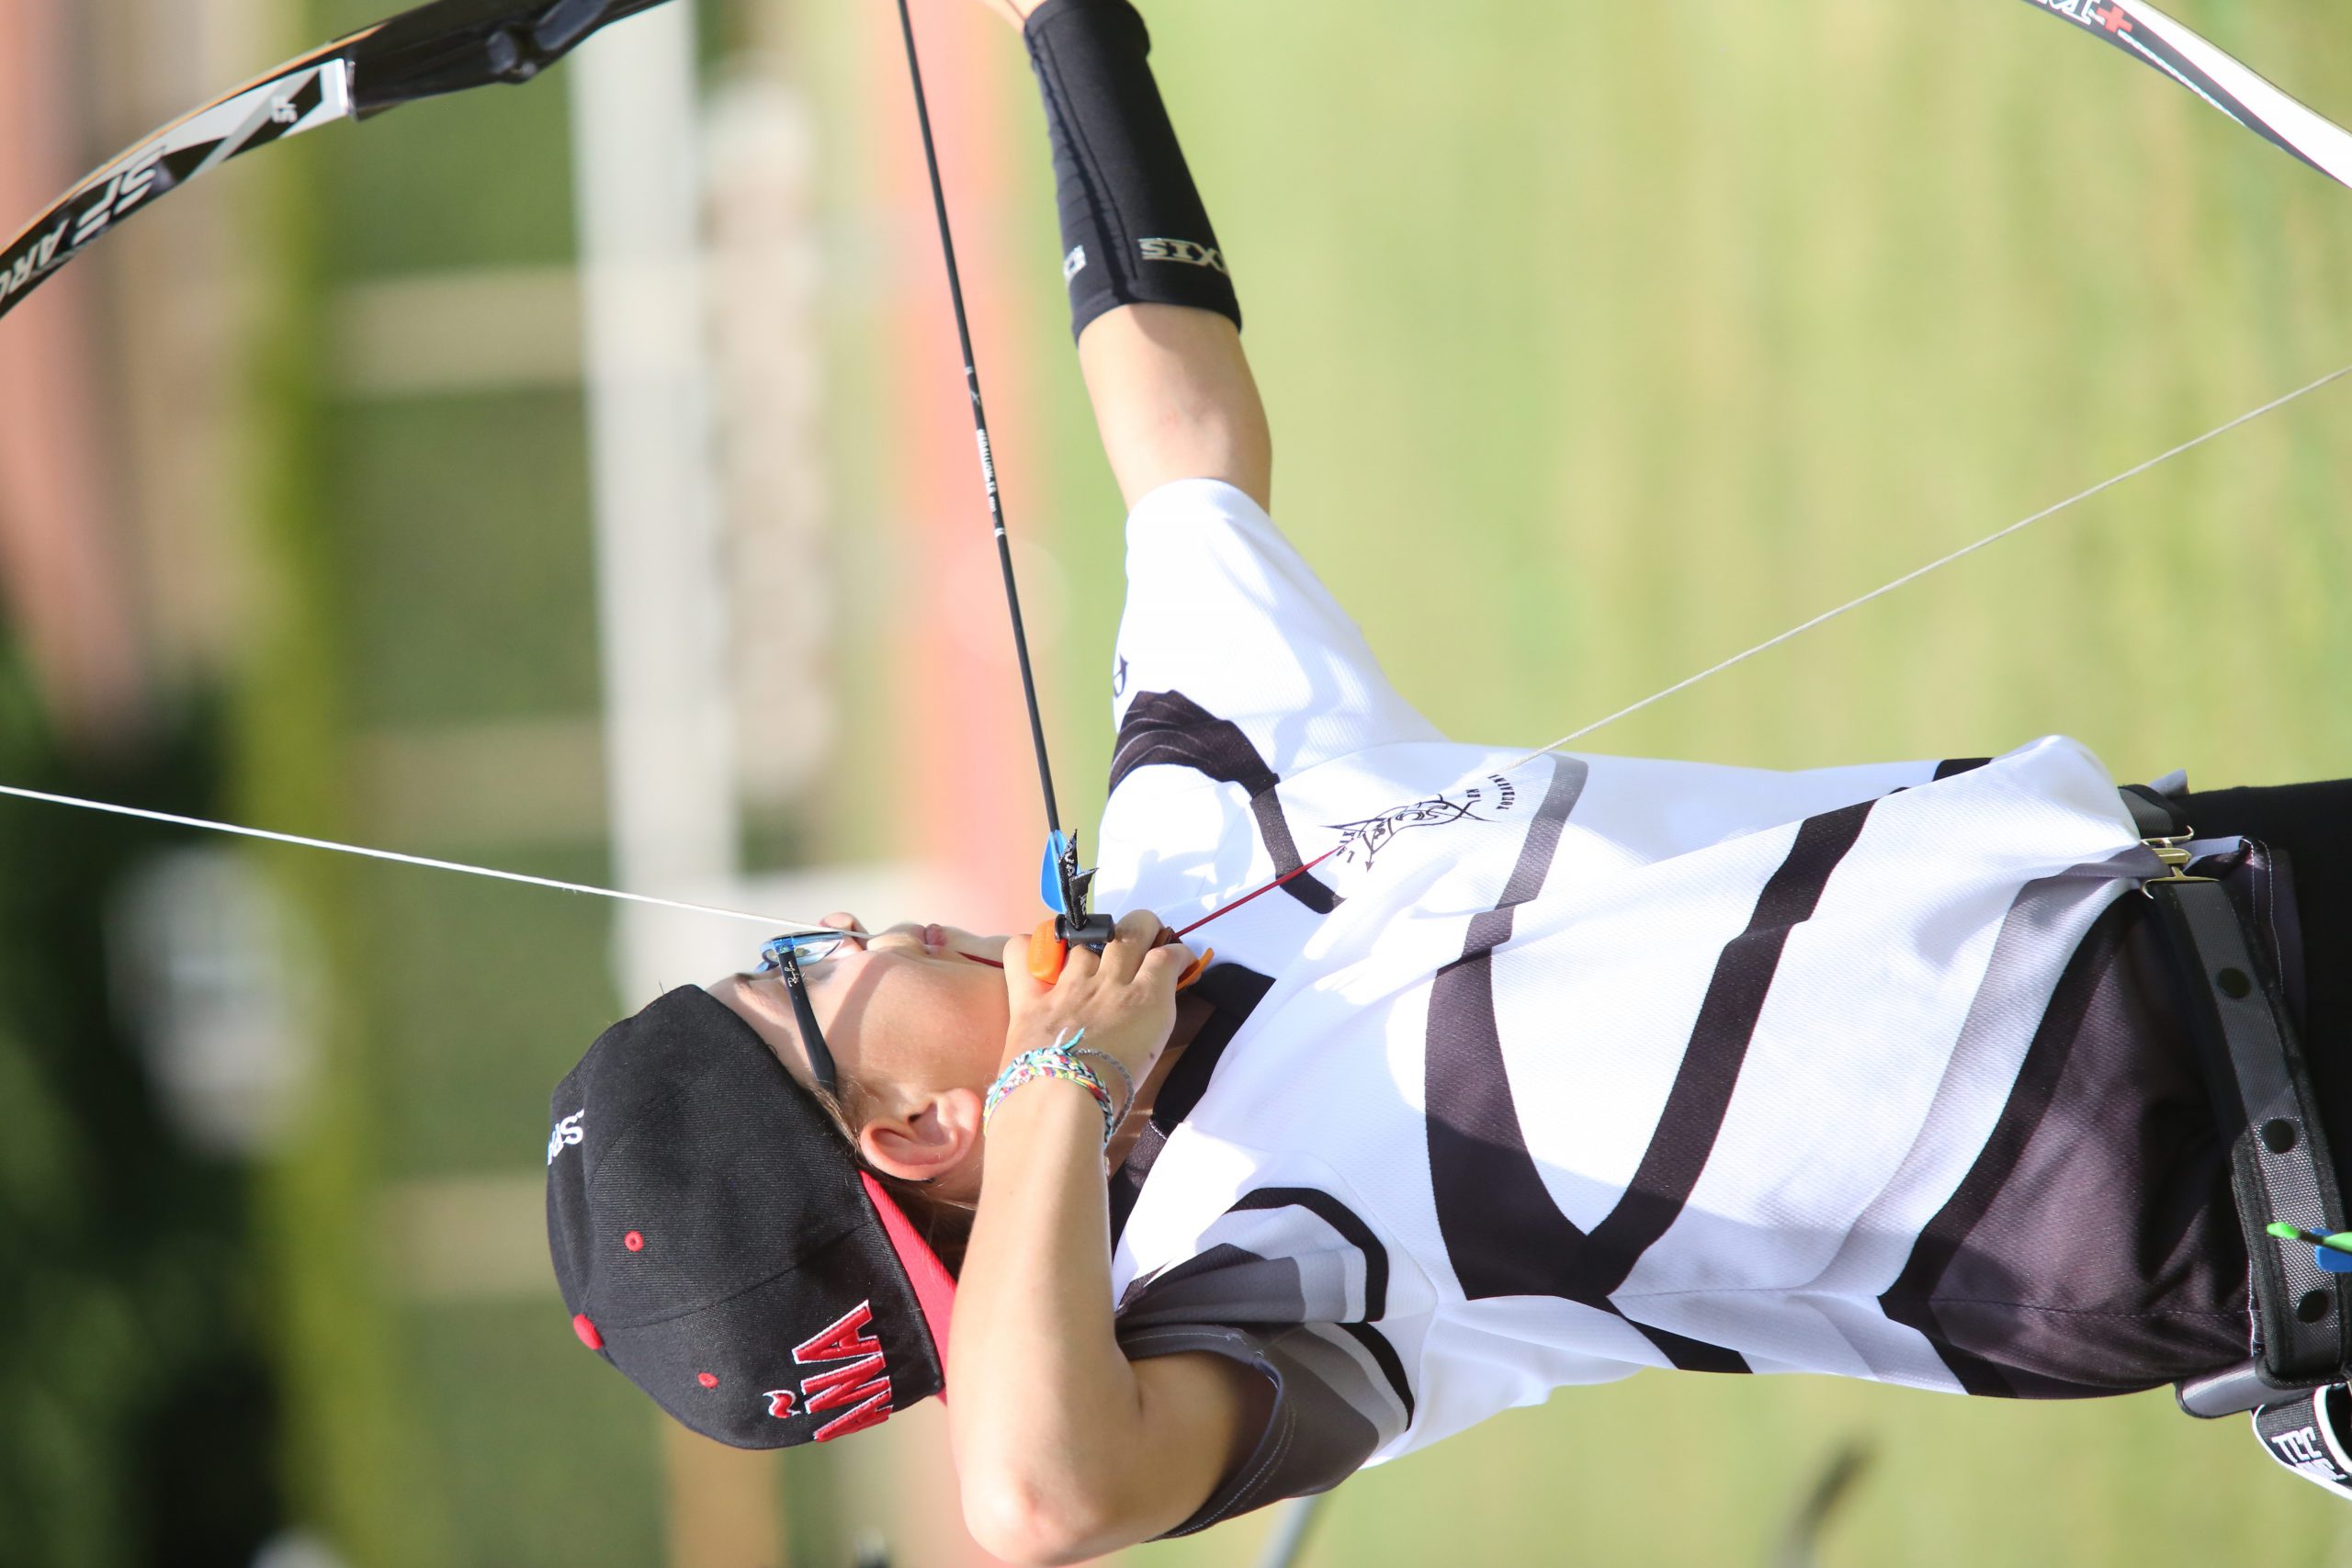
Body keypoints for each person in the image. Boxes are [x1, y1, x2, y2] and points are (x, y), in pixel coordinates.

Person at [544, 0, 2352, 1560]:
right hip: (2234, 1202)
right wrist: (1056, 1091)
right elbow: (1035, 1498)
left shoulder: (1188, 817)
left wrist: (1058, 23)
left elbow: (1182, 436)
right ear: (911, 1131)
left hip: (2216, 887)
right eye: (800, 972)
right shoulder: (1232, 1290)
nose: (851, 927)